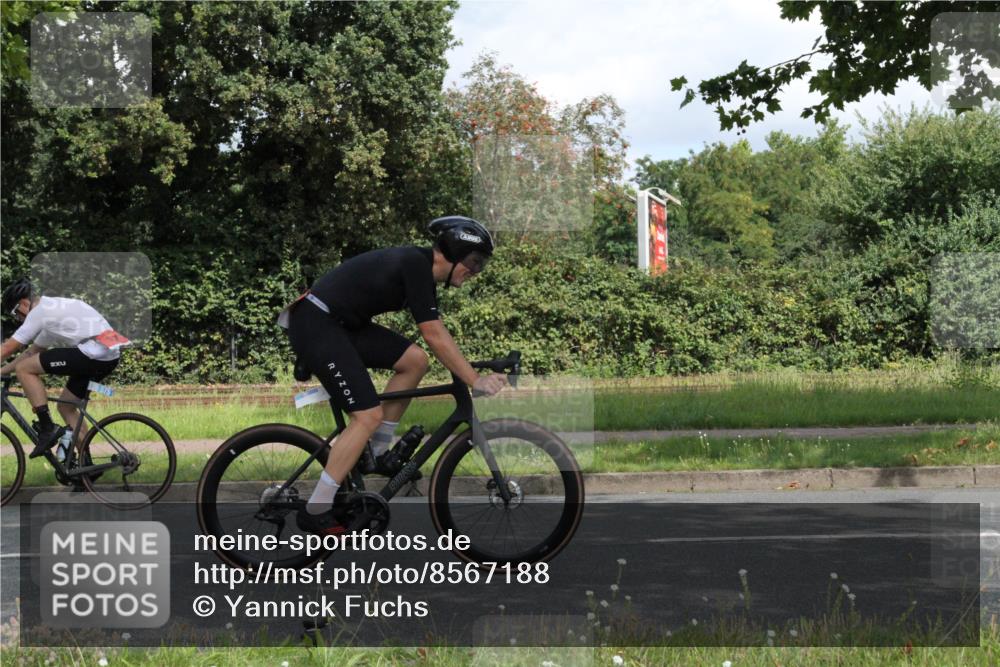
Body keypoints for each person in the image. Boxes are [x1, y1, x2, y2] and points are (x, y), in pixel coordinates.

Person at [282, 216, 507, 536]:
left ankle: (377, 452)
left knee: (415, 361)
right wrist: (474, 379)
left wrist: (469, 372)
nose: (476, 270)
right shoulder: (416, 265)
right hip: (318, 324)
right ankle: (316, 508)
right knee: (367, 415)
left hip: (340, 325)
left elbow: (434, 337)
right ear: (455, 252)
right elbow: (433, 333)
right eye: (474, 261)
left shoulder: (422, 273)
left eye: (481, 264)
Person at [0, 279, 126, 458]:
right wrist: (2, 371)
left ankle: (47, 428)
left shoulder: (40, 312)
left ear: (24, 303)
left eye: (15, 312)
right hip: (106, 355)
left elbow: (8, 348)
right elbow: (31, 352)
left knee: (24, 369)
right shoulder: (52, 311)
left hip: (94, 352)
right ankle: (86, 465)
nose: (18, 319)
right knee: (66, 407)